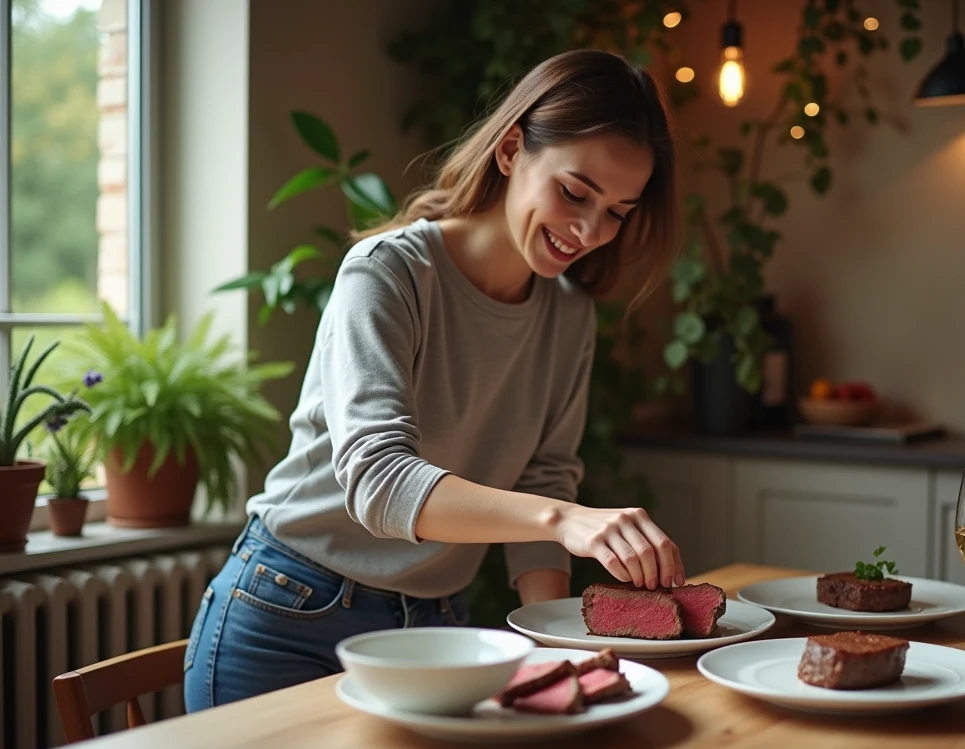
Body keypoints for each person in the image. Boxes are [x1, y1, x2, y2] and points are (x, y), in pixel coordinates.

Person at [183, 49, 685, 711]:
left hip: (441, 622)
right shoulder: (387, 273)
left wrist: (559, 642)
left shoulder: (568, 313)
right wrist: (565, 520)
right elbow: (379, 480)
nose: (591, 230)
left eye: (618, 211)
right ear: (511, 151)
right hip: (290, 611)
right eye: (574, 192)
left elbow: (544, 477)